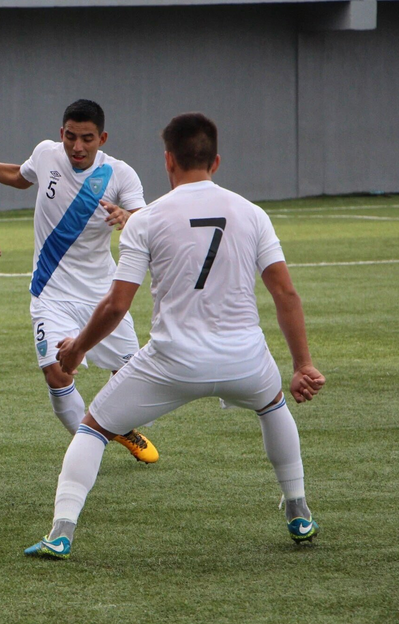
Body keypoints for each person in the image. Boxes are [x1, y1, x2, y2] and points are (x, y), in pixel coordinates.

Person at [23, 113, 326, 559]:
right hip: (245, 359)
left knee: (92, 428)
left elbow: (116, 305)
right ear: (216, 161)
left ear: (168, 160)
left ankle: (61, 533)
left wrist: (78, 349)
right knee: (272, 404)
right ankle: (298, 511)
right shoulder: (252, 213)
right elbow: (285, 292)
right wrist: (302, 364)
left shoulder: (147, 219)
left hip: (173, 361)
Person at [0, 99, 158, 463]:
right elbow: (19, 177)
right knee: (57, 373)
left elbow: (142, 215)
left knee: (131, 381)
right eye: (70, 137)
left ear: (102, 138)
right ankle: (87, 451)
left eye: (87, 138)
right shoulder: (45, 153)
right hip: (50, 293)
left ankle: (119, 426)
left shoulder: (120, 174)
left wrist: (128, 216)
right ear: (61, 133)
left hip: (102, 295)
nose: (77, 147)